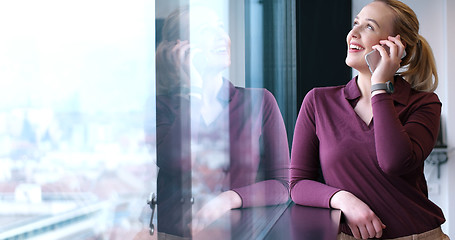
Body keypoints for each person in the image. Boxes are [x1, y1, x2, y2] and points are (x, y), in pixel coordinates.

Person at [290, 0, 449, 239]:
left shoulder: (424, 103)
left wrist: (379, 89)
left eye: (369, 27)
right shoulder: (318, 102)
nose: (353, 33)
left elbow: (393, 162)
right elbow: (298, 184)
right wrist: (342, 199)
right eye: (356, 24)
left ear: (396, 46)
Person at [149, 5, 290, 239]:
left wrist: (228, 199)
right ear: (181, 48)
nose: (221, 37)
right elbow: (174, 163)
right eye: (206, 29)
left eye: (221, 27)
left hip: (239, 234)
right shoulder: (161, 107)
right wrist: (193, 92)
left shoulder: (259, 101)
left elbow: (283, 186)